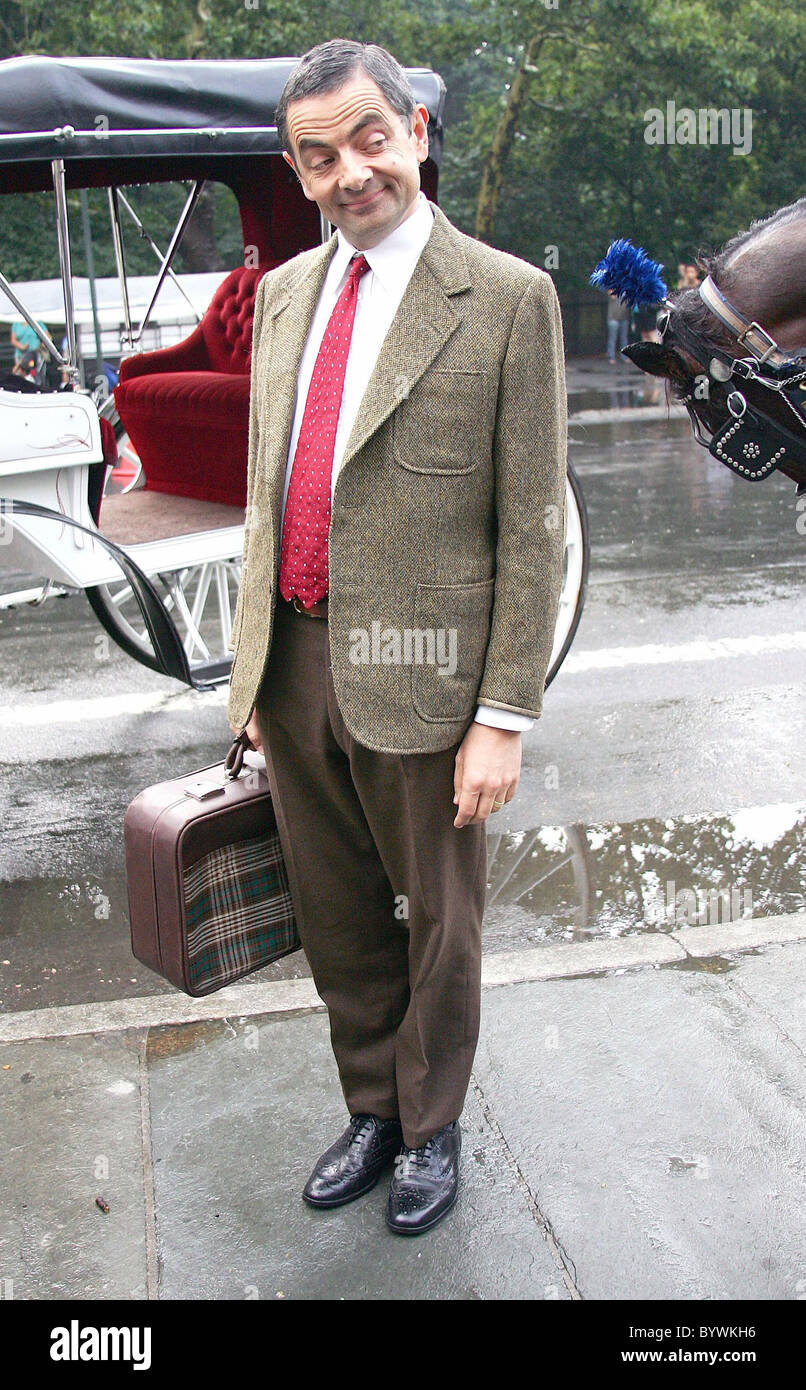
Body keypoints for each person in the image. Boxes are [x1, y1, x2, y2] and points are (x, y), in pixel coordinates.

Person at [227, 39, 567, 1235]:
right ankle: (371, 1104)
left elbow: (531, 529)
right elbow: (268, 497)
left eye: (369, 139)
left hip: (429, 677)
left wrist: (501, 717)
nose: (348, 172)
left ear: (416, 131)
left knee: (439, 917)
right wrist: (249, 684)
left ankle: (430, 1126)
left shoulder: (509, 298)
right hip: (297, 659)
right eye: (318, 156)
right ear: (297, 168)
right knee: (334, 910)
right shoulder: (279, 296)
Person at [606, 289, 630, 362]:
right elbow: (612, 295)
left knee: (624, 338)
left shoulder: (626, 291)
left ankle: (624, 357)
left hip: (624, 317)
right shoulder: (613, 290)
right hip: (613, 318)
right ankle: (611, 356)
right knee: (612, 338)